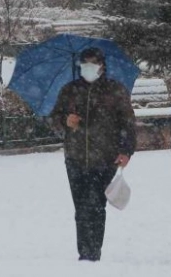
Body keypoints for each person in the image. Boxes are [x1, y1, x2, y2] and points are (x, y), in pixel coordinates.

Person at [50, 47, 137, 262]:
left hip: (104, 159)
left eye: (93, 63)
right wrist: (65, 122)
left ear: (102, 66)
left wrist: (126, 151)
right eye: (84, 64)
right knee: (81, 209)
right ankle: (84, 252)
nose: (88, 68)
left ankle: (93, 252)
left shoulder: (115, 91)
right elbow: (53, 118)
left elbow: (128, 124)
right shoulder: (69, 90)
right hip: (75, 158)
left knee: (97, 207)